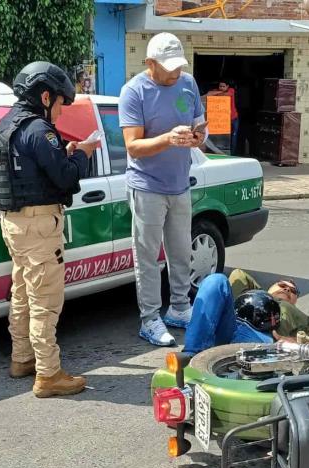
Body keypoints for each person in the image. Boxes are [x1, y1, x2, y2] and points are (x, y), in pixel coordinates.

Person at [0, 61, 97, 398]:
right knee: (45, 301)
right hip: (38, 226)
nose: (61, 111)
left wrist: (64, 154)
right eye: (61, 102)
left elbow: (33, 169)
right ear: (45, 96)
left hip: (13, 223)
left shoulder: (6, 126)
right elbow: (64, 177)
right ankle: (48, 374)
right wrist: (83, 155)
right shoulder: (38, 130)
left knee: (22, 291)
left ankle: (22, 358)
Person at [119, 32, 207, 346]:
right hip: (147, 187)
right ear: (150, 63)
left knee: (182, 251)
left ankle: (180, 308)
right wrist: (168, 139)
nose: (174, 73)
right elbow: (133, 146)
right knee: (147, 257)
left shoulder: (188, 83)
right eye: (168, 67)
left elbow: (201, 126)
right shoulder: (133, 92)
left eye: (178, 66)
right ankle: (150, 318)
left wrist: (197, 137)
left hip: (180, 184)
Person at [183, 272, 309, 355]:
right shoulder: (253, 296)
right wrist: (262, 294)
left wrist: (295, 341)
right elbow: (238, 275)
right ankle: (190, 355)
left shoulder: (301, 316)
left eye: (292, 291)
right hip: (232, 326)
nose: (287, 290)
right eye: (282, 286)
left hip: (262, 338)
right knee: (216, 280)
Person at [205, 80, 239, 154]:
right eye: (220, 86)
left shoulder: (231, 90)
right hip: (223, 120)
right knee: (226, 137)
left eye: (223, 86)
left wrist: (217, 93)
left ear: (227, 86)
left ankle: (233, 153)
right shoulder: (217, 91)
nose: (221, 88)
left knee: (234, 137)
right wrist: (220, 92)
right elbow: (208, 94)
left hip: (233, 118)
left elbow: (228, 94)